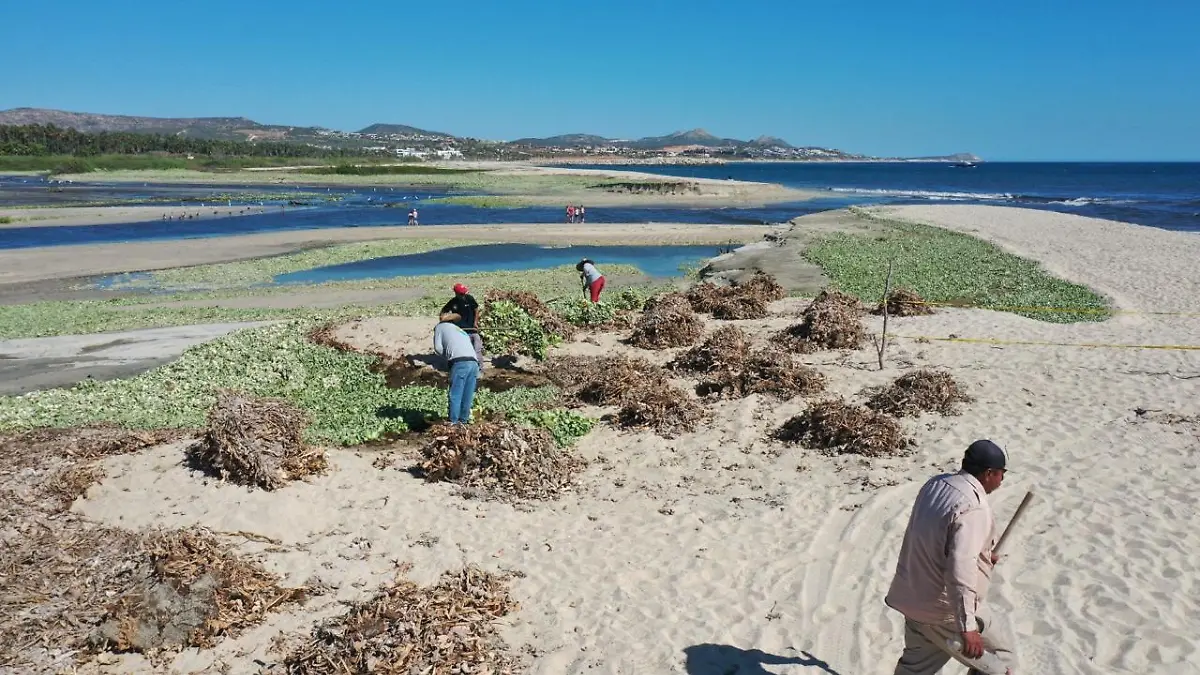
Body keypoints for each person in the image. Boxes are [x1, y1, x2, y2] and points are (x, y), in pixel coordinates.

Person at [885, 440, 1018, 675]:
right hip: (945, 611)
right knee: (1002, 663)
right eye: (1001, 473)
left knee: (915, 670)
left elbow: (934, 538)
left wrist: (984, 558)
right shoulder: (974, 507)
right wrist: (967, 627)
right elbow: (960, 567)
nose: (1002, 480)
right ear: (988, 473)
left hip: (913, 600)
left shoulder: (935, 485)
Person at [432, 315, 479, 425]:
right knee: (467, 394)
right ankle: (463, 421)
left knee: (456, 394)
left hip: (460, 362)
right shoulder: (460, 330)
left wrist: (446, 359)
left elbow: (438, 348)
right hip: (473, 363)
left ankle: (453, 422)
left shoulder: (440, 327)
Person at [439, 283, 483, 365]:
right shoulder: (453, 302)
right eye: (461, 294)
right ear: (456, 293)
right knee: (466, 351)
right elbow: (443, 311)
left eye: (464, 293)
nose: (463, 295)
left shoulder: (469, 298)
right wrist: (444, 321)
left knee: (477, 350)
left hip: (472, 329)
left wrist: (475, 322)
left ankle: (480, 369)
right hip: (461, 331)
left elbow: (476, 310)